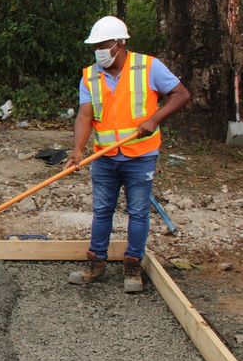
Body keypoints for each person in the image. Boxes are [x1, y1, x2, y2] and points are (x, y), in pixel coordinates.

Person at [66, 16, 190, 292]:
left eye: (103, 45)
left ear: (119, 44)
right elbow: (85, 115)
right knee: (101, 211)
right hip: (104, 157)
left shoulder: (149, 67)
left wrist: (155, 119)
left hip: (140, 156)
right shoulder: (90, 75)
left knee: (138, 211)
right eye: (95, 46)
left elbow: (181, 95)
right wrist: (77, 150)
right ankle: (95, 263)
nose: (98, 51)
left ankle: (133, 265)